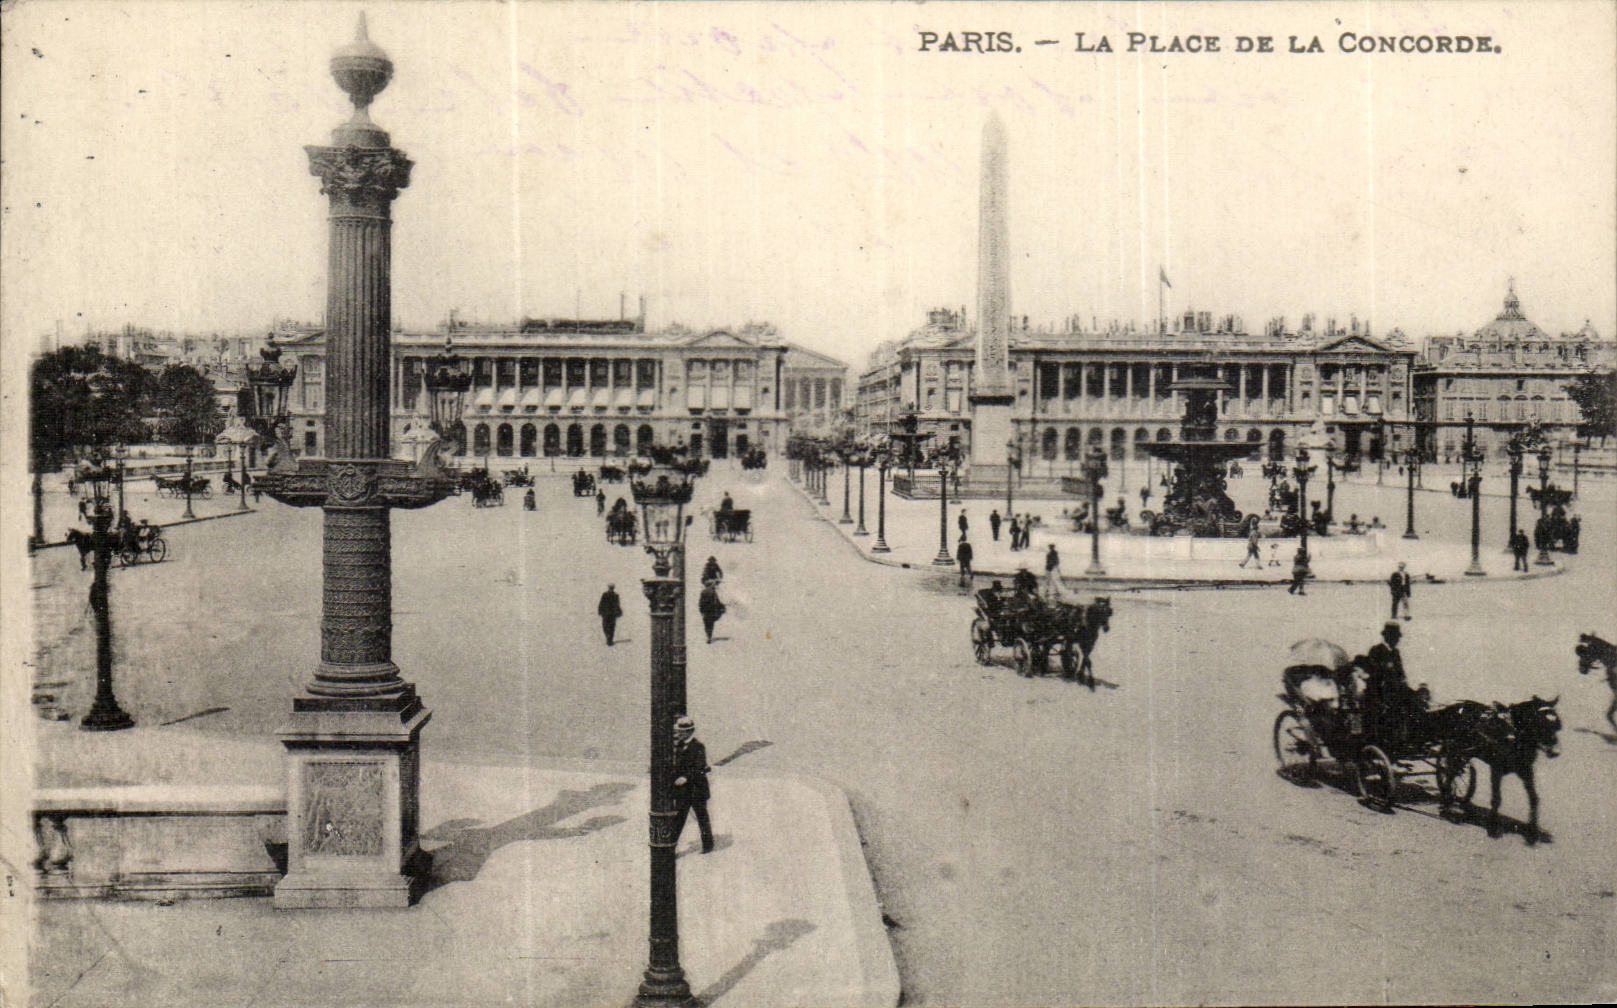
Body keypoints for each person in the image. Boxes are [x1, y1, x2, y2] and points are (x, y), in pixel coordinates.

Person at [1361, 622, 1427, 744]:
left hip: (1395, 691)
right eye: (1394, 637)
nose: (1397, 640)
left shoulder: (1396, 653)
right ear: (1387, 637)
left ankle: (1414, 738)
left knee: (1418, 701)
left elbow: (1401, 674)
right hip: (1381, 693)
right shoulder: (1376, 650)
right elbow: (1373, 675)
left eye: (1397, 637)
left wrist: (1408, 688)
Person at [671, 716, 714, 854]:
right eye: (678, 731)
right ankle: (671, 849)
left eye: (682, 731)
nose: (679, 734)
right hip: (683, 791)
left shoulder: (698, 747)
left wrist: (685, 777)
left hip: (697, 790)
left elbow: (699, 767)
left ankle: (708, 846)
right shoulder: (678, 746)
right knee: (678, 819)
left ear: (690, 731)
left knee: (702, 818)